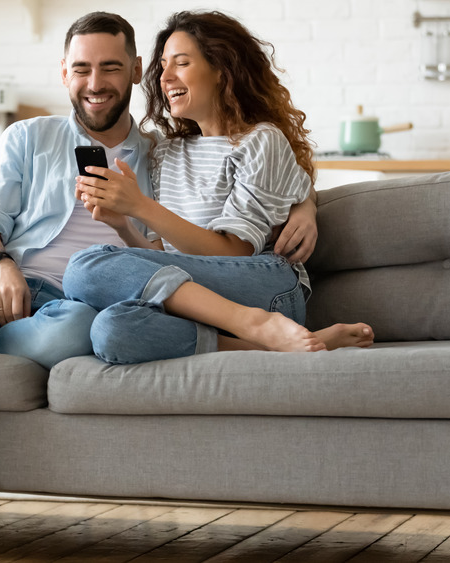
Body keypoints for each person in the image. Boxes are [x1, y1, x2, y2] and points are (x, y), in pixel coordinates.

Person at [0, 12, 320, 563]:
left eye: (111, 67)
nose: (95, 82)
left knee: (83, 320)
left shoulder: (161, 150)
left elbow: (247, 171)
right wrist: (0, 265)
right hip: (3, 284)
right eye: (81, 68)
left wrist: (307, 204)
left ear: (135, 71)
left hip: (81, 302)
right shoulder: (28, 138)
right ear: (63, 73)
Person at [65, 10, 373, 365]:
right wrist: (123, 224)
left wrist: (141, 207)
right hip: (199, 296)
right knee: (111, 330)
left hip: (264, 287)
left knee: (83, 266)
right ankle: (268, 343)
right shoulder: (166, 152)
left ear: (221, 70)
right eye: (163, 65)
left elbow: (234, 253)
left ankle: (256, 323)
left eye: (181, 63)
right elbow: (165, 259)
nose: (164, 77)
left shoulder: (260, 141)